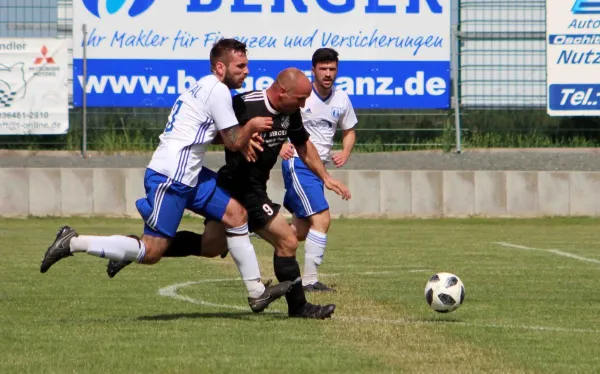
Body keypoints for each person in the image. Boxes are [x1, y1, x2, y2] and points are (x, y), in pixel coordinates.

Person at [39, 38, 292, 314]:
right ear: (220, 67)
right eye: (240, 66)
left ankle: (257, 293)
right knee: (151, 252)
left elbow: (211, 135)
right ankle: (73, 242)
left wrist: (244, 136)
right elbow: (232, 141)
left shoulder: (203, 87)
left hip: (189, 174)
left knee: (236, 215)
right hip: (172, 177)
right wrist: (251, 126)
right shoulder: (218, 91)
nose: (246, 71)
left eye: (247, 65)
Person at [106, 68, 353, 320]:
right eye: (300, 99)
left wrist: (326, 177)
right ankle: (299, 307)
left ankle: (136, 247)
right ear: (282, 92)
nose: (303, 104)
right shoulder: (244, 104)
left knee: (210, 246)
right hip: (242, 187)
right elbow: (211, 135)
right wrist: (243, 135)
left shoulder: (291, 113)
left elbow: (303, 145)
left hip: (248, 186)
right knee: (287, 241)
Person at [278, 48, 357, 292]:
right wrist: (281, 143)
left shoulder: (341, 99)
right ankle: (310, 281)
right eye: (323, 69)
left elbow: (350, 130)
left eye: (332, 69)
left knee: (299, 232)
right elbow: (278, 118)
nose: (327, 74)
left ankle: (251, 230)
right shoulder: (302, 94)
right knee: (322, 219)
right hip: (298, 162)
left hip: (318, 166)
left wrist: (344, 152)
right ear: (313, 70)